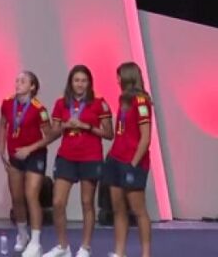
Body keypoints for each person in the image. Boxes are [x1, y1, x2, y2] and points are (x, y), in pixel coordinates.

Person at [43, 65, 113, 257]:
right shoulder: (61, 103)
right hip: (67, 156)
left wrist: (85, 126)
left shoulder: (99, 103)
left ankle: (85, 247)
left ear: (89, 83)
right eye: (76, 80)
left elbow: (109, 134)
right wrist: (66, 125)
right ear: (70, 83)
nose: (80, 84)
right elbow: (52, 133)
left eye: (83, 80)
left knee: (86, 202)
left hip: (90, 157)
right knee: (57, 202)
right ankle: (63, 246)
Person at [0, 71, 53, 257]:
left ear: (32, 86)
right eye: (17, 80)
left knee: (31, 196)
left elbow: (51, 135)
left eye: (23, 81)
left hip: (34, 156)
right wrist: (1, 149)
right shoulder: (7, 103)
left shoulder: (39, 109)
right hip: (14, 156)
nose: (18, 83)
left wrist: (30, 149)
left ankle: (36, 243)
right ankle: (23, 235)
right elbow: (2, 125)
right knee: (17, 198)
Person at [104, 62, 153, 257]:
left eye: (119, 76)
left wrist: (133, 164)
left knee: (138, 210)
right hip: (115, 160)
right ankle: (120, 252)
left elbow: (145, 137)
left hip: (132, 162)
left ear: (127, 77)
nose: (116, 80)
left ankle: (145, 254)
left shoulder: (141, 102)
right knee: (118, 209)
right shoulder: (122, 100)